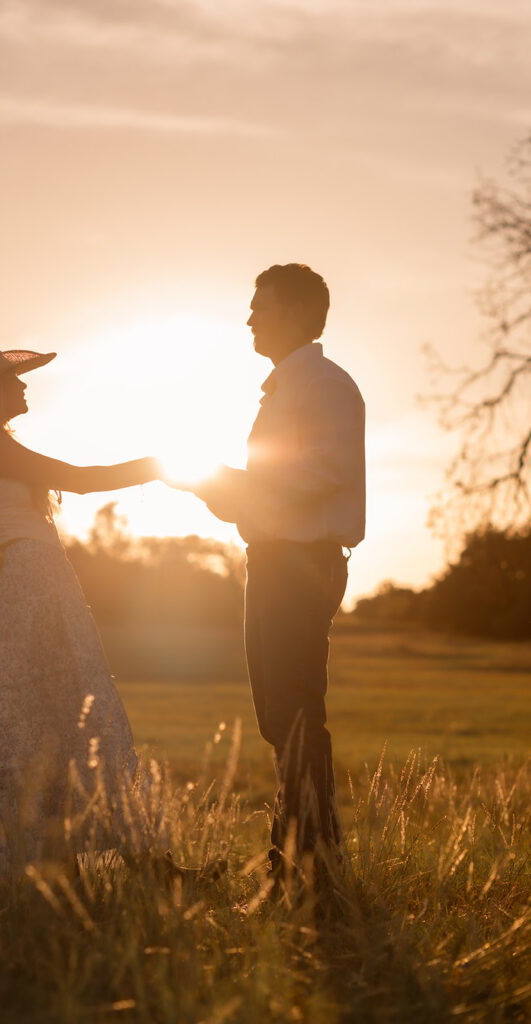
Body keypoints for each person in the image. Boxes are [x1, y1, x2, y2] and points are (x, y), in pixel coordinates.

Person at [0, 336, 162, 876]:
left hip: (39, 581)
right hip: (37, 584)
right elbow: (77, 479)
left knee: (58, 720)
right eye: (14, 378)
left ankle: (91, 870)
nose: (24, 383)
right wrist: (159, 466)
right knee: (71, 715)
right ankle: (140, 867)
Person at [186, 264, 365, 887]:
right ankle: (296, 858)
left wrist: (235, 483)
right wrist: (226, 494)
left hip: (299, 565)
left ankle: (310, 867)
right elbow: (280, 487)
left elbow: (322, 471)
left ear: (292, 312)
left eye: (259, 307)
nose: (249, 318)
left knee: (293, 712)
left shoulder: (323, 385)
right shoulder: (290, 387)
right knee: (276, 714)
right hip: (272, 561)